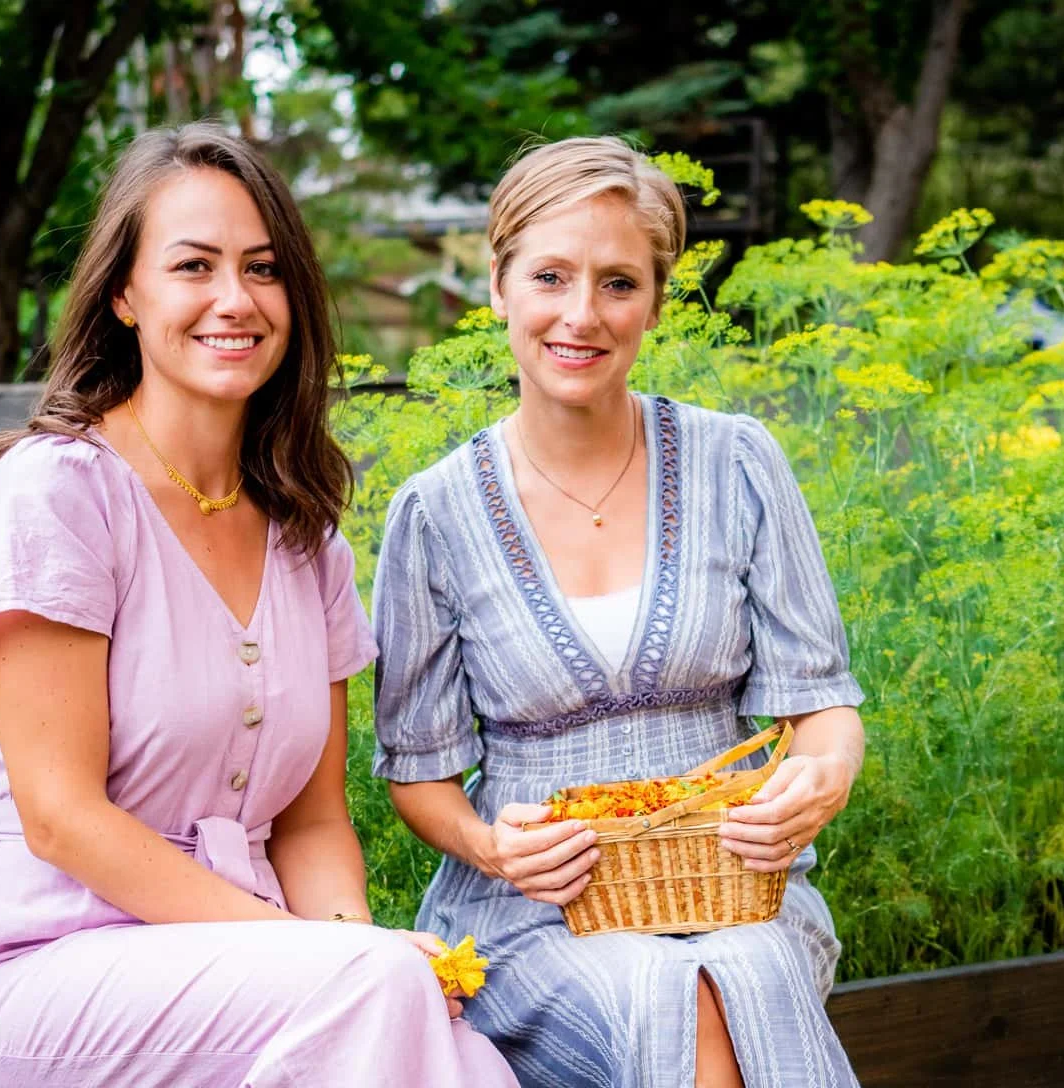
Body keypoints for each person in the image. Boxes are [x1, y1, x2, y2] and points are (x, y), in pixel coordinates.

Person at [0, 122, 517, 1088]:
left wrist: (351, 951)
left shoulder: (304, 535)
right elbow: (62, 819)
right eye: (194, 266)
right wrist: (333, 961)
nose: (235, 300)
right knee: (381, 996)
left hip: (257, 974)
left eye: (264, 268)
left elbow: (314, 825)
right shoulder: (60, 493)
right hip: (42, 977)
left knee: (463, 1055)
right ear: (124, 293)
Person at [371, 136, 867, 1088]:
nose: (581, 315)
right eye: (550, 276)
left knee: (742, 976)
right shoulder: (435, 514)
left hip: (738, 882)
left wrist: (823, 780)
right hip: (533, 907)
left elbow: (821, 707)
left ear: (656, 300)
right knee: (665, 999)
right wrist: (495, 847)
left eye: (618, 284)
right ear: (499, 285)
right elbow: (419, 777)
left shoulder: (739, 462)